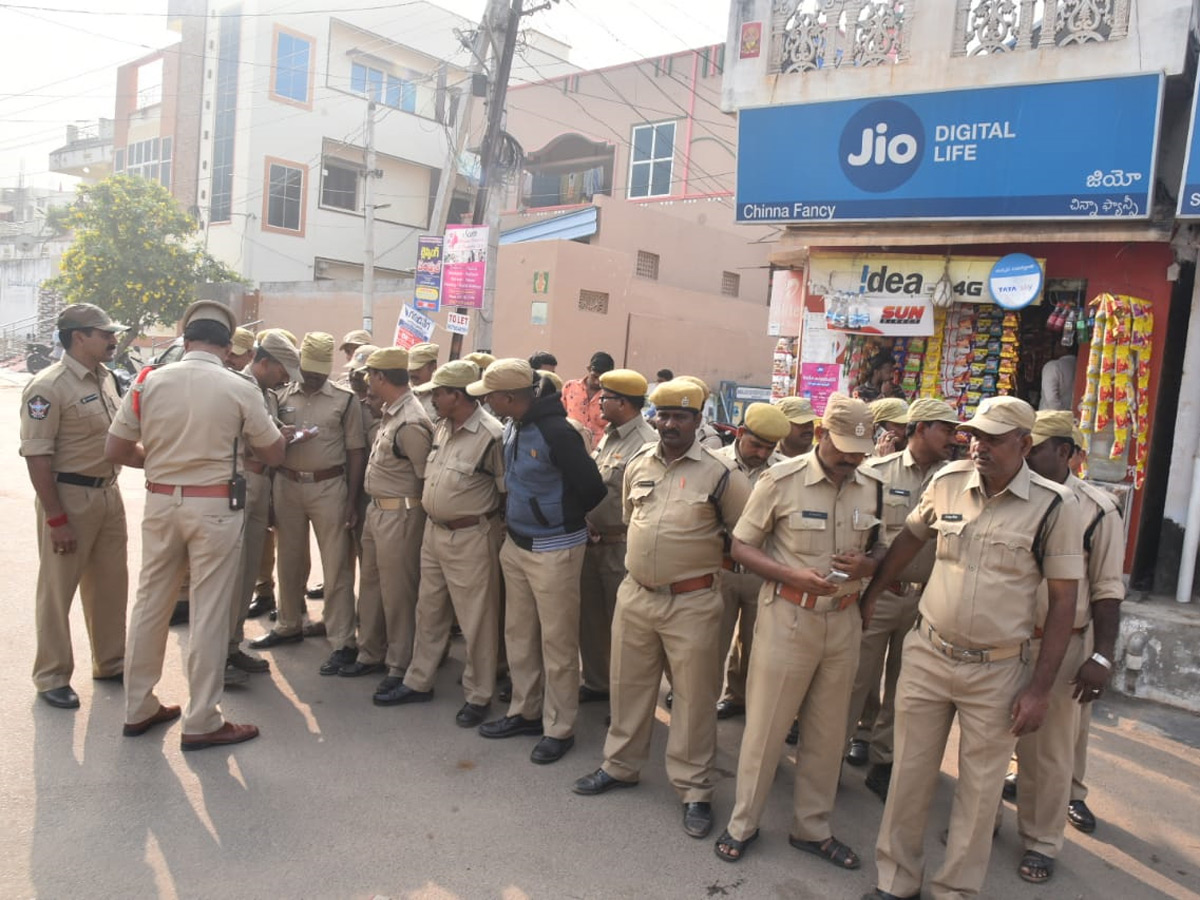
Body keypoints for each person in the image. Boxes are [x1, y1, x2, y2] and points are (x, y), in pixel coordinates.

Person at [860, 395, 1083, 900]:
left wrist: (1040, 690)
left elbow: (1064, 602)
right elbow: (909, 542)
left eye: (993, 439)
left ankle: (955, 890)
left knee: (980, 794)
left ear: (1024, 444)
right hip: (929, 653)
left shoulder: (1054, 506)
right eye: (975, 435)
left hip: (997, 670)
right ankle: (897, 882)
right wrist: (873, 593)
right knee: (908, 779)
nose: (978, 445)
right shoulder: (946, 482)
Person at [572, 378, 750, 841]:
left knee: (692, 698)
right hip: (636, 594)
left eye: (680, 417)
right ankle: (620, 765)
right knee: (628, 685)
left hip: (692, 601)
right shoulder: (638, 464)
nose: (669, 424)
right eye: (663, 415)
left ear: (698, 420)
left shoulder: (722, 476)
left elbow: (744, 537)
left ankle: (694, 789)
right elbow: (634, 523)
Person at [106, 300, 285, 750]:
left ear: (186, 342)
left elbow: (117, 449)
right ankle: (202, 719)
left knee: (150, 604)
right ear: (227, 348)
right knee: (208, 611)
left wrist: (163, 462)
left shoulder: (148, 382)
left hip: (161, 501)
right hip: (215, 508)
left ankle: (138, 706)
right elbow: (274, 452)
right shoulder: (237, 386)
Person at [712, 393, 881, 871]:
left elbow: (882, 552)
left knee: (828, 735)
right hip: (789, 617)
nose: (851, 458)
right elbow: (741, 547)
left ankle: (813, 828)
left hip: (843, 621)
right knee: (766, 730)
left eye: (859, 451)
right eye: (844, 447)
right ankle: (743, 823)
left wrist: (868, 564)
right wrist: (789, 575)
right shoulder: (781, 479)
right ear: (823, 434)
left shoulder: (871, 486)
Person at [469, 359, 605, 764]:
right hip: (517, 545)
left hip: (555, 550)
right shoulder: (515, 425)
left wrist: (559, 518)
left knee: (558, 643)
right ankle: (525, 712)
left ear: (510, 397)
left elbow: (592, 489)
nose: (487, 402)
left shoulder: (556, 432)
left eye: (490, 396)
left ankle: (559, 727)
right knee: (520, 634)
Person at [1008, 411, 1123, 884]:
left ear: (1066, 452)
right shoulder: (1010, 495)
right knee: (994, 741)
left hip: (1061, 645)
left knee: (1049, 753)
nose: (1027, 453)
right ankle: (980, 824)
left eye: (1035, 446)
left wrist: (1102, 655)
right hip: (1003, 641)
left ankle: (1040, 841)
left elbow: (1107, 589)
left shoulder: (1097, 509)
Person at [378, 360, 506, 726]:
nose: (432, 398)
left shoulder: (491, 435)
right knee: (428, 609)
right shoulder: (443, 427)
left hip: (470, 536)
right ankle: (419, 681)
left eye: (438, 392)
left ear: (458, 395)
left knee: (475, 619)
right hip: (434, 533)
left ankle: (479, 694)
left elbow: (504, 493)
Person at [843, 398, 960, 797]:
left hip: (926, 600)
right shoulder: (875, 472)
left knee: (905, 688)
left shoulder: (956, 480)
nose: (955, 438)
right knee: (855, 680)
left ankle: (884, 757)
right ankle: (831, 754)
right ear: (921, 428)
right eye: (946, 429)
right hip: (879, 595)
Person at [21, 303, 130, 709]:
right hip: (68, 497)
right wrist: (56, 518)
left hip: (107, 493)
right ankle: (51, 674)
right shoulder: (47, 387)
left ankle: (111, 662)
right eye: (105, 334)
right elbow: (37, 457)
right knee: (57, 589)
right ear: (79, 337)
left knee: (110, 586)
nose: (113, 340)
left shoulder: (107, 380)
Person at [250, 333, 367, 678]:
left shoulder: (345, 401)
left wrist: (352, 498)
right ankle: (289, 623)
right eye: (308, 372)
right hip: (286, 484)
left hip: (329, 486)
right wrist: (271, 492)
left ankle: (342, 639)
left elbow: (355, 451)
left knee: (336, 567)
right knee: (289, 560)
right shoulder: (281, 395)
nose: (313, 379)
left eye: (319, 373)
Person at [340, 348, 433, 689]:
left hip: (402, 514)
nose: (366, 380)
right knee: (373, 587)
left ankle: (399, 664)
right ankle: (370, 653)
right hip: (379, 511)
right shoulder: (392, 412)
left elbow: (426, 477)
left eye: (369, 374)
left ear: (381, 377)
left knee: (398, 594)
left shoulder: (410, 419)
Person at [578, 368, 659, 704]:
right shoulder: (611, 435)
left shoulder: (647, 443)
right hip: (593, 544)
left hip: (621, 546)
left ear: (624, 403)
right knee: (592, 621)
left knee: (626, 631)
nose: (599, 402)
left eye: (606, 397)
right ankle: (598, 683)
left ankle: (627, 701)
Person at [226, 332, 302, 681]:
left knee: (246, 572)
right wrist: (275, 439)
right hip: (239, 480)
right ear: (265, 361)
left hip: (261, 483)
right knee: (229, 574)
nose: (285, 379)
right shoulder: (236, 386)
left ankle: (231, 646)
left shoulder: (267, 393)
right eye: (282, 370)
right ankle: (219, 655)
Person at [714, 403, 791, 720]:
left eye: (769, 447)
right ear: (740, 433)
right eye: (755, 444)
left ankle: (741, 698)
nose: (761, 453)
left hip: (763, 574)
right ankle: (698, 699)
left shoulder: (785, 471)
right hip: (720, 572)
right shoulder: (714, 464)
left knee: (757, 648)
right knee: (711, 645)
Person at [561, 351, 614, 446]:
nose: (598, 382)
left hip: (598, 451)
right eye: (595, 376)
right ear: (589, 369)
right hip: (569, 444)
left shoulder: (612, 396)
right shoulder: (570, 387)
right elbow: (560, 415)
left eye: (602, 378)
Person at [772, 396, 818, 461]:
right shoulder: (765, 455)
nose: (808, 428)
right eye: (801, 422)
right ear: (781, 424)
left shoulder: (822, 459)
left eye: (810, 422)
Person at [408, 342, 440, 420]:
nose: (412, 373)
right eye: (410, 369)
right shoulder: (406, 393)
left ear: (433, 367)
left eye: (417, 369)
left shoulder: (441, 397)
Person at [1040, 343, 1077, 411]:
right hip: (1073, 417)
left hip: (1051, 418)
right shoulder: (1081, 367)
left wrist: (1063, 416)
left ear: (1062, 347)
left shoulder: (1053, 366)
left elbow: (1051, 399)